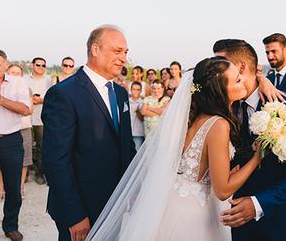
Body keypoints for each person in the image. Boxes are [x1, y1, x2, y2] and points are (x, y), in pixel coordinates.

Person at [87, 56, 261, 240]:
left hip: (173, 204)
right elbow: (223, 190)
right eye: (237, 80)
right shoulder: (218, 124)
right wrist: (256, 159)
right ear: (220, 89)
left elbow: (201, 173)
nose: (243, 82)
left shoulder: (195, 118)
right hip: (194, 216)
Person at [215, 39, 286, 241]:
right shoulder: (225, 107)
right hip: (242, 223)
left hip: (284, 221)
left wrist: (258, 204)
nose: (215, 71)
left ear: (240, 67)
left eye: (220, 64)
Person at [41, 25, 136, 241]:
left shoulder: (120, 93)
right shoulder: (63, 94)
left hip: (115, 204)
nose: (123, 58)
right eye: (117, 51)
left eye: (126, 52)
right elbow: (56, 160)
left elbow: (125, 145)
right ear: (95, 49)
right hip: (81, 208)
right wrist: (74, 214)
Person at [0, 49, 31, 241]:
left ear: (5, 64)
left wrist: (1, 100)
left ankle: (11, 226)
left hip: (11, 140)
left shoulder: (18, 82)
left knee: (13, 188)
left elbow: (26, 109)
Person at [7, 64, 34, 199]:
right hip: (5, 130)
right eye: (12, 72)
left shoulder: (26, 89)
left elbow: (28, 110)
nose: (15, 75)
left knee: (24, 159)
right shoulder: (0, 88)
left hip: (23, 127)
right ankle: (1, 189)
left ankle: (20, 187)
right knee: (3, 162)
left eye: (18, 73)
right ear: (7, 72)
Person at [23, 57, 51, 185]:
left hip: (41, 118)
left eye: (43, 65)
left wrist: (41, 100)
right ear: (32, 65)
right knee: (24, 147)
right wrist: (30, 100)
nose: (40, 67)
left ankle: (39, 173)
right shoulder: (24, 79)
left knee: (41, 147)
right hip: (26, 119)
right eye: (38, 65)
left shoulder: (49, 80)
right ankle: (25, 173)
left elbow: (52, 98)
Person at [129, 81, 145, 150]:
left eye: (138, 90)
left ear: (141, 91)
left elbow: (142, 119)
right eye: (134, 89)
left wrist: (138, 111)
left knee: (137, 154)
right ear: (131, 90)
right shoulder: (126, 101)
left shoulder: (143, 102)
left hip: (138, 133)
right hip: (127, 132)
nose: (135, 91)